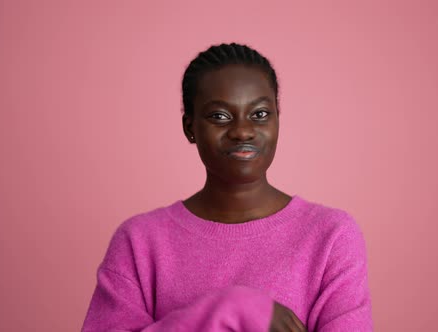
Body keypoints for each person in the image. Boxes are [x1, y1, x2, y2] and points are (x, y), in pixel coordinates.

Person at [82, 43, 373, 332]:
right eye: (220, 116)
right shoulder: (138, 242)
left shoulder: (331, 236)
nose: (243, 131)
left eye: (259, 114)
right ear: (190, 127)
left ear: (277, 120)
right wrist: (233, 309)